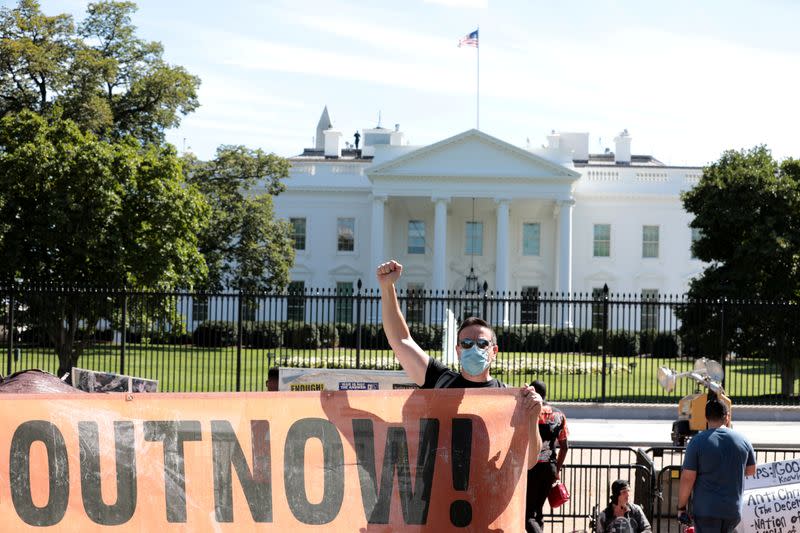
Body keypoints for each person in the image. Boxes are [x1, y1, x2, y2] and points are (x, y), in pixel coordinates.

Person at [375, 259, 543, 462]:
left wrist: (533, 417)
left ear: (494, 351)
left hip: (485, 491)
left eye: (482, 343)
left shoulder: (508, 397)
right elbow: (400, 340)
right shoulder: (440, 381)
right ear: (458, 350)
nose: (474, 348)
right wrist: (387, 287)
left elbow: (530, 460)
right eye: (466, 343)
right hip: (438, 491)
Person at [678, 399, 756, 533]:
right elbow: (751, 471)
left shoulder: (697, 442)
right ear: (727, 416)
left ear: (705, 417)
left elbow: (688, 478)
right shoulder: (743, 440)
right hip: (732, 510)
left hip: (706, 510)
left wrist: (681, 507)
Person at [526, 380, 569, 532]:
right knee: (538, 510)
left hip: (531, 468)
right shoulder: (559, 415)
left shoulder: (529, 412)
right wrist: (556, 470)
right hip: (549, 468)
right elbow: (564, 446)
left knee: (527, 515)